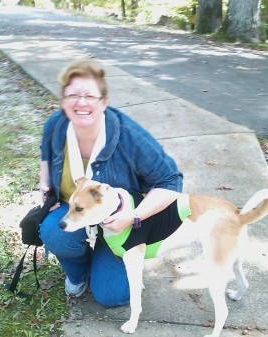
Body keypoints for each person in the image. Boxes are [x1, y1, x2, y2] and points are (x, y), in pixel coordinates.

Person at [38, 59, 183, 307]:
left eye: (89, 96)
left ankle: (107, 260)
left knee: (110, 295)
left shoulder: (129, 136)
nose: (81, 102)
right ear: (63, 101)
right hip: (74, 209)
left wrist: (134, 217)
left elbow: (171, 181)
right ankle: (79, 272)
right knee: (54, 232)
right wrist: (44, 186)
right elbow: (46, 154)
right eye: (73, 95)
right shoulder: (56, 124)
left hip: (121, 219)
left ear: (103, 102)